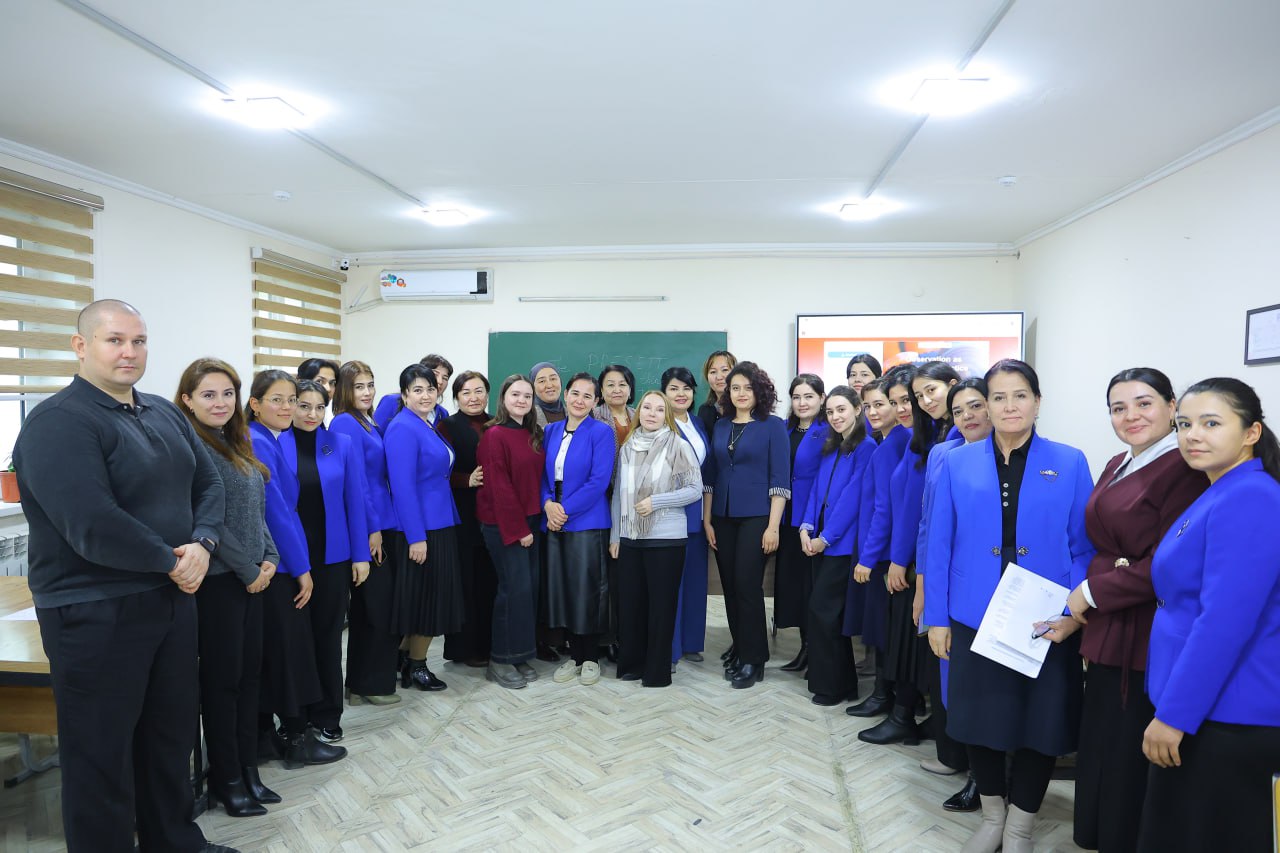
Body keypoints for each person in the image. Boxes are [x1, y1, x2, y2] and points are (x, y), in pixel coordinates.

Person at [14, 300, 236, 853]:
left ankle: (175, 842)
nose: (129, 353)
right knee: (101, 753)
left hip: (169, 599)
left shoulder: (160, 411)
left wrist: (204, 546)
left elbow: (209, 485)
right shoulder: (58, 422)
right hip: (95, 610)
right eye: (115, 340)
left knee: (168, 737)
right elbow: (91, 522)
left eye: (138, 341)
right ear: (81, 346)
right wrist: (174, 560)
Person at [925, 359, 1094, 853]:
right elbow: (939, 544)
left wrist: (1075, 612)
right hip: (975, 614)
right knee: (980, 720)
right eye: (998, 397)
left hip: (1045, 617)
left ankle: (1021, 825)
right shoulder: (956, 462)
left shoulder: (1069, 461)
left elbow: (1084, 546)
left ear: (1037, 402)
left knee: (1040, 723)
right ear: (986, 405)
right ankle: (993, 817)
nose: (1009, 406)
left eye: (1019, 396)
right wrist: (937, 617)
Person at [1135, 377, 1280, 853]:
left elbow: (1224, 621)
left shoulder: (1251, 497)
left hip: (1227, 712)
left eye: (1211, 423)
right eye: (1184, 424)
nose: (1193, 435)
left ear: (1251, 432)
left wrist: (1175, 715)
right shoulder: (1219, 489)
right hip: (1205, 703)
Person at [1064, 368, 1206, 852]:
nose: (1131, 416)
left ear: (1171, 407)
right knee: (1103, 740)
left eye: (1144, 403)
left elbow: (1168, 563)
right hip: (1112, 621)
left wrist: (1095, 591)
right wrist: (1109, 574)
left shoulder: (1183, 469)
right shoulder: (1117, 462)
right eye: (1118, 407)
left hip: (1147, 628)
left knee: (1127, 749)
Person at [175, 358, 280, 818]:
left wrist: (271, 559)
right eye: (208, 395)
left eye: (227, 394)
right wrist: (248, 569)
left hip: (253, 580)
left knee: (249, 679)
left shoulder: (236, 443)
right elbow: (208, 521)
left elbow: (257, 514)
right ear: (187, 401)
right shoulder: (192, 448)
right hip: (220, 584)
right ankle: (226, 779)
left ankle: (247, 770)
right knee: (222, 685)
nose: (220, 403)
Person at [246, 371, 345, 771]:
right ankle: (295, 737)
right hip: (280, 565)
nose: (288, 408)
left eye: (292, 400)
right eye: (279, 400)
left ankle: (273, 736)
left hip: (279, 561)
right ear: (255, 404)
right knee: (290, 654)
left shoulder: (266, 438)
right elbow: (279, 513)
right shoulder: (259, 441)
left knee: (286, 653)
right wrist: (302, 568)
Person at [914, 378, 993, 812]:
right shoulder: (943, 454)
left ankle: (990, 779)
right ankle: (971, 771)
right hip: (953, 586)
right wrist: (923, 585)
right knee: (955, 684)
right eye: (959, 411)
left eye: (976, 406)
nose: (968, 417)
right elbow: (930, 527)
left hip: (1004, 591)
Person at [281, 380, 370, 743]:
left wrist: (360, 555)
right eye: (303, 406)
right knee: (293, 642)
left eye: (320, 407)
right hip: (290, 560)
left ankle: (327, 713)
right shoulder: (273, 443)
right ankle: (294, 716)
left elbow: (356, 501)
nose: (312, 414)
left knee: (328, 639)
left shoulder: (341, 444)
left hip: (333, 557)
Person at [704, 361, 790, 689]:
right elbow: (710, 477)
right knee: (729, 586)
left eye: (748, 388)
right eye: (735, 387)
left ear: (760, 391)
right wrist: (708, 520)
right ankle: (740, 647)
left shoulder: (773, 426)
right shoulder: (722, 425)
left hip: (757, 517)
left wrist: (772, 527)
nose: (741, 393)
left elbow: (780, 480)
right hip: (723, 517)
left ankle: (755, 659)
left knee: (747, 585)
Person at [612, 391, 704, 686]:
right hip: (630, 537)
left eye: (658, 409)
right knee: (631, 606)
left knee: (661, 608)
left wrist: (657, 501)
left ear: (666, 414)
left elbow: (694, 489)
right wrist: (616, 534)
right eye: (646, 407)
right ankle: (633, 665)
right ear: (639, 411)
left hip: (666, 538)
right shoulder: (627, 446)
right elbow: (617, 495)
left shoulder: (678, 445)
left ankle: (656, 672)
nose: (651, 413)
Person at [383, 364, 465, 692]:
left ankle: (404, 660)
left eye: (430, 389)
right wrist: (417, 537)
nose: (425, 395)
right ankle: (417, 666)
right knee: (428, 601)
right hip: (422, 530)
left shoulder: (425, 423)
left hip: (439, 522)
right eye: (417, 390)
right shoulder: (403, 427)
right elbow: (402, 487)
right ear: (404, 395)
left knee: (428, 598)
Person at [329, 361, 404, 706]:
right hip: (369, 525)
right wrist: (371, 530)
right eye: (359, 386)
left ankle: (363, 682)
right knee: (375, 608)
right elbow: (357, 483)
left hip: (383, 521)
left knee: (377, 607)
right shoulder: (345, 422)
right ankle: (367, 684)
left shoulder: (369, 420)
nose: (367, 392)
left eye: (370, 385)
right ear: (345, 390)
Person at [798, 386, 874, 705]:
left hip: (841, 546)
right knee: (826, 616)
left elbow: (852, 499)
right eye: (830, 412)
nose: (835, 417)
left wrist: (825, 538)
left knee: (825, 614)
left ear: (857, 409)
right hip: (820, 542)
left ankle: (833, 687)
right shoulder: (834, 446)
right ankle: (840, 684)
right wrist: (805, 525)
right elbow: (817, 490)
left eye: (841, 409)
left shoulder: (866, 447)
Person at [846, 369, 914, 719]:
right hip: (881, 551)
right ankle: (883, 695)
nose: (873, 412)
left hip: (886, 556)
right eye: (867, 405)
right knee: (883, 631)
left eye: (881, 404)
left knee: (887, 634)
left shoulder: (896, 444)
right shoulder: (888, 442)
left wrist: (868, 558)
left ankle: (885, 697)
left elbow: (886, 509)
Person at [542, 373, 615, 686]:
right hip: (554, 520)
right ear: (566, 395)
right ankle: (573, 655)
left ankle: (590, 658)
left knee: (589, 592)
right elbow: (541, 478)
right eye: (575, 393)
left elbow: (599, 482)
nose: (580, 400)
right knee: (564, 590)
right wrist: (548, 505)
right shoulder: (550, 431)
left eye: (588, 396)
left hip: (587, 521)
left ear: (596, 401)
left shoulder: (602, 432)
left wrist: (564, 510)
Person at [477, 374, 546, 689]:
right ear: (503, 399)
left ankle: (519, 653)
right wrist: (518, 529)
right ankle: (499, 660)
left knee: (527, 591)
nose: (521, 400)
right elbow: (499, 487)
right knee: (512, 590)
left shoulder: (532, 433)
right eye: (515, 394)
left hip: (531, 521)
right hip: (504, 524)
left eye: (527, 396)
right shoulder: (494, 434)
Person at [439, 370, 497, 668]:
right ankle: (464, 649)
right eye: (466, 393)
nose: (473, 398)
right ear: (456, 397)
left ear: (488, 393)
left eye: (479, 391)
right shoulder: (445, 426)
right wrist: (465, 480)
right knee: (466, 581)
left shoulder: (496, 423)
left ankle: (489, 645)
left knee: (490, 580)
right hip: (462, 512)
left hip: (495, 513)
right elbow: (434, 472)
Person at [775, 375, 828, 674]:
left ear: (821, 398)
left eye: (808, 396)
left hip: (813, 518)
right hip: (785, 516)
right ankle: (803, 646)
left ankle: (814, 649)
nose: (802, 402)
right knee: (793, 584)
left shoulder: (828, 430)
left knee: (811, 586)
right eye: (796, 397)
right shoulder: (784, 428)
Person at [661, 366, 712, 665]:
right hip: (671, 513)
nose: (681, 394)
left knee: (694, 581)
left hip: (697, 515)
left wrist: (706, 519)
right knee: (670, 583)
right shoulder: (659, 423)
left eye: (687, 389)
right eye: (674, 389)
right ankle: (669, 648)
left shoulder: (696, 423)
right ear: (663, 393)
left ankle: (691, 641)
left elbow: (705, 474)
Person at [373, 353, 451, 432]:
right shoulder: (391, 401)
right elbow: (375, 434)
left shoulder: (443, 414)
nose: (440, 381)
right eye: (435, 374)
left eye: (445, 378)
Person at [697, 350, 736, 435]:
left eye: (725, 370)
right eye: (713, 372)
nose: (719, 377)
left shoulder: (742, 406)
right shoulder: (704, 410)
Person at [531, 360, 566, 428]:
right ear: (532, 386)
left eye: (553, 379)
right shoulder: (528, 417)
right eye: (542, 381)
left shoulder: (572, 412)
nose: (549, 385)